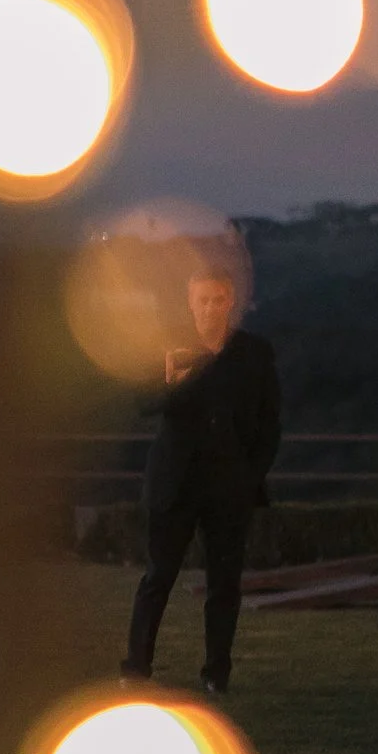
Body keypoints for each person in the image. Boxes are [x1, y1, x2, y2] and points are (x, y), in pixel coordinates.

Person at [122, 265, 282, 694]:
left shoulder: (254, 353)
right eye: (203, 300)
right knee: (158, 576)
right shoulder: (169, 348)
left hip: (229, 487)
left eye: (219, 299)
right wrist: (174, 380)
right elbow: (143, 403)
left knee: (224, 584)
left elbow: (270, 425)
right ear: (190, 303)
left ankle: (216, 673)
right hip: (175, 483)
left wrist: (250, 476)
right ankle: (136, 667)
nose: (211, 307)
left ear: (231, 301)